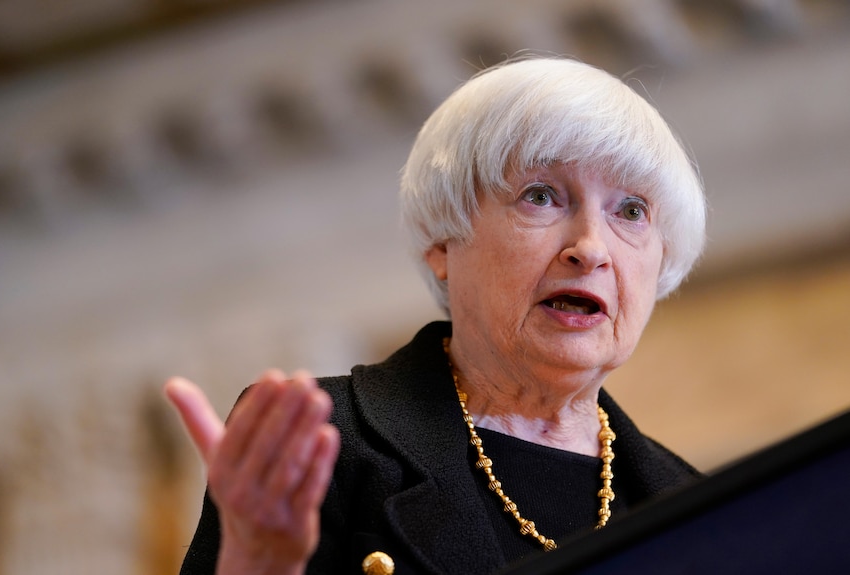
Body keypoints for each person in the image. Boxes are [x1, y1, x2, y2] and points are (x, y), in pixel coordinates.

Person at [165, 56, 707, 575]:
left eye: (631, 211)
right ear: (444, 242)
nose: (590, 248)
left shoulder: (698, 507)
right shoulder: (325, 442)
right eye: (541, 196)